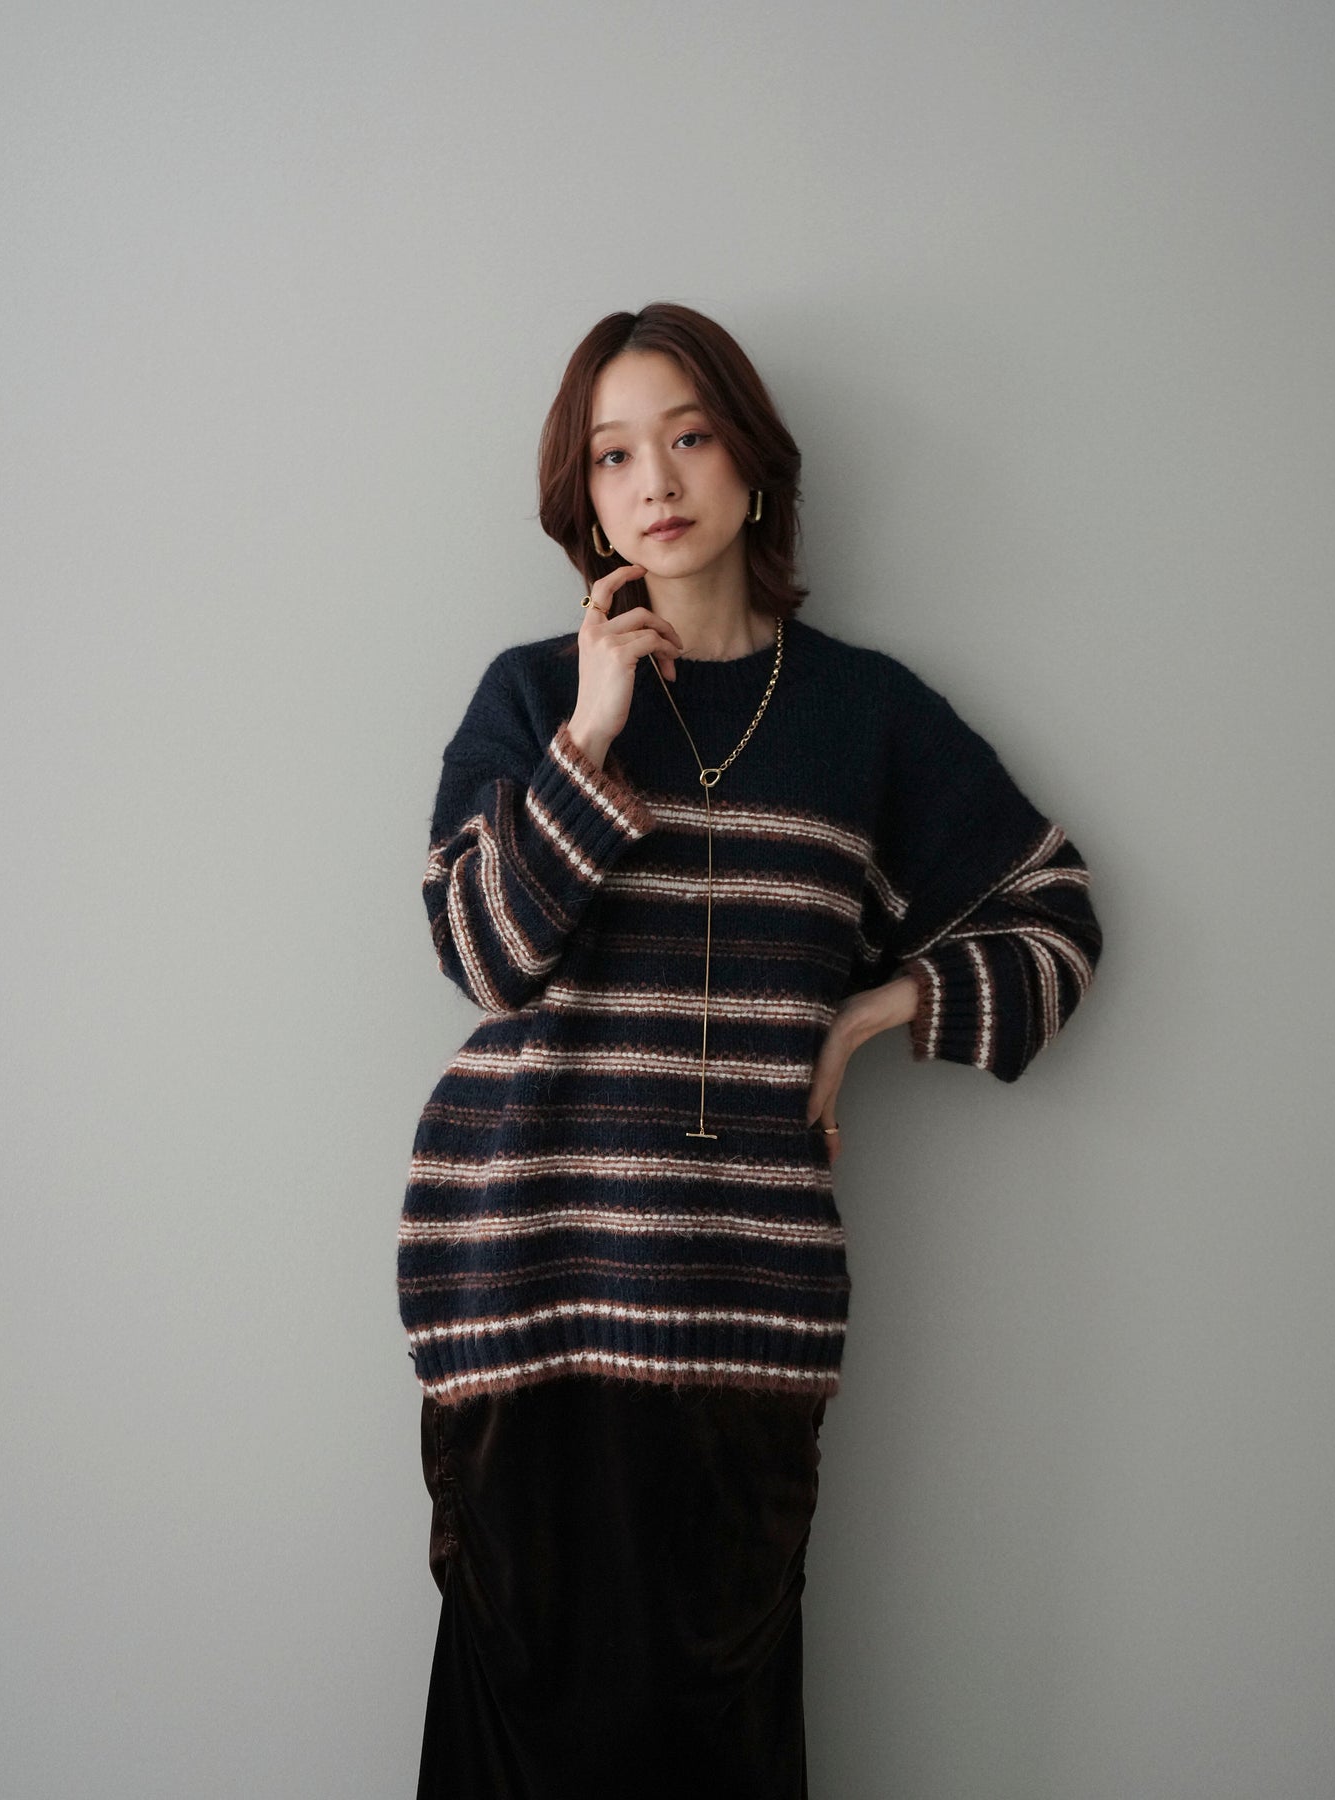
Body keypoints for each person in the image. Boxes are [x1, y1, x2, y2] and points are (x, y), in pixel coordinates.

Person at [400, 303, 1103, 1798]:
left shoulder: (864, 716)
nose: (654, 480)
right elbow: (483, 954)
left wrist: (872, 1012)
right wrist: (590, 741)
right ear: (582, 499)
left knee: (717, 1749)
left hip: (742, 1325)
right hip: (526, 1302)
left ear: (753, 462)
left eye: (688, 436)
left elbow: (1052, 923)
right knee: (515, 1745)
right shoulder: (531, 697)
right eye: (612, 456)